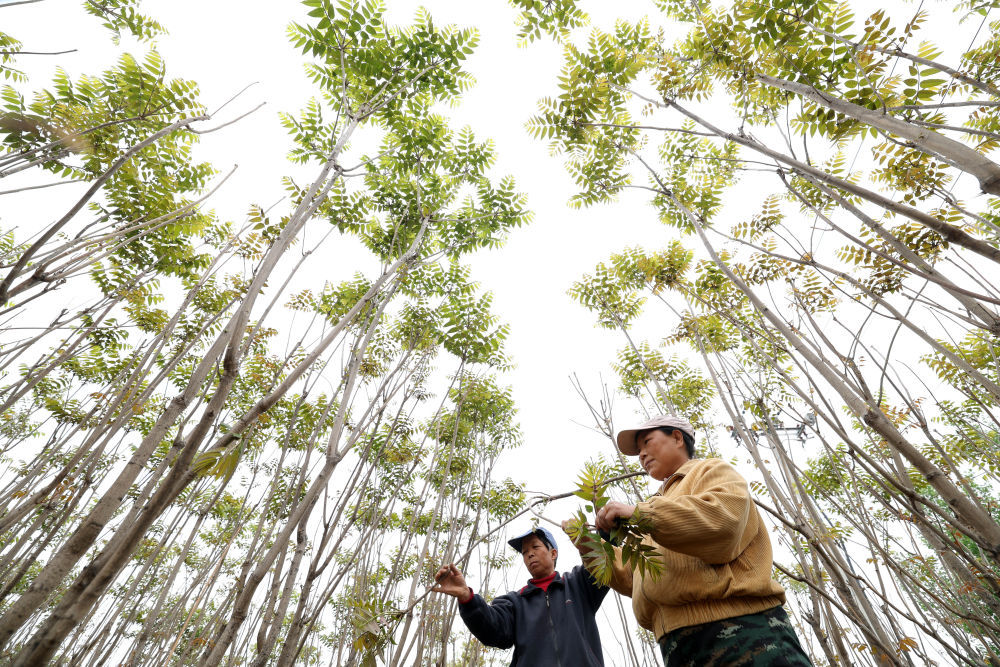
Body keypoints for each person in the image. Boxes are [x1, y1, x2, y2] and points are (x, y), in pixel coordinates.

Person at [594, 415, 812, 666]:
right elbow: (636, 577)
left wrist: (641, 514)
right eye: (639, 450)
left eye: (647, 442)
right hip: (676, 646)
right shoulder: (653, 508)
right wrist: (591, 546)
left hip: (742, 628)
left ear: (677, 437)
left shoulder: (711, 471)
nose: (641, 454)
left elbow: (722, 522)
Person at [433, 525, 609, 666]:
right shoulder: (514, 602)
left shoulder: (579, 584)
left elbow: (605, 559)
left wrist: (606, 530)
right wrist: (467, 598)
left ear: (553, 553)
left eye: (535, 546)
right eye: (524, 552)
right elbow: (492, 629)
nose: (529, 554)